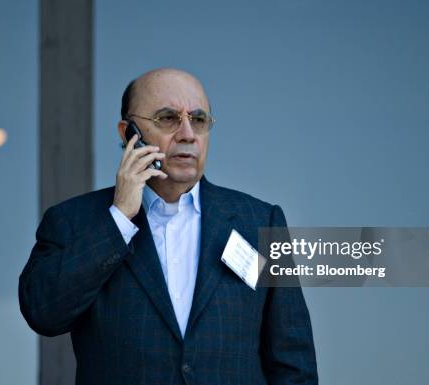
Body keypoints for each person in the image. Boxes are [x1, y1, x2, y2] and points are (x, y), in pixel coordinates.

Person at [18, 68, 318, 385]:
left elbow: (293, 361)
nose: (188, 134)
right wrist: (119, 218)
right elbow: (44, 313)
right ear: (128, 133)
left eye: (199, 120)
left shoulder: (258, 222)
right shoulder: (72, 221)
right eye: (168, 118)